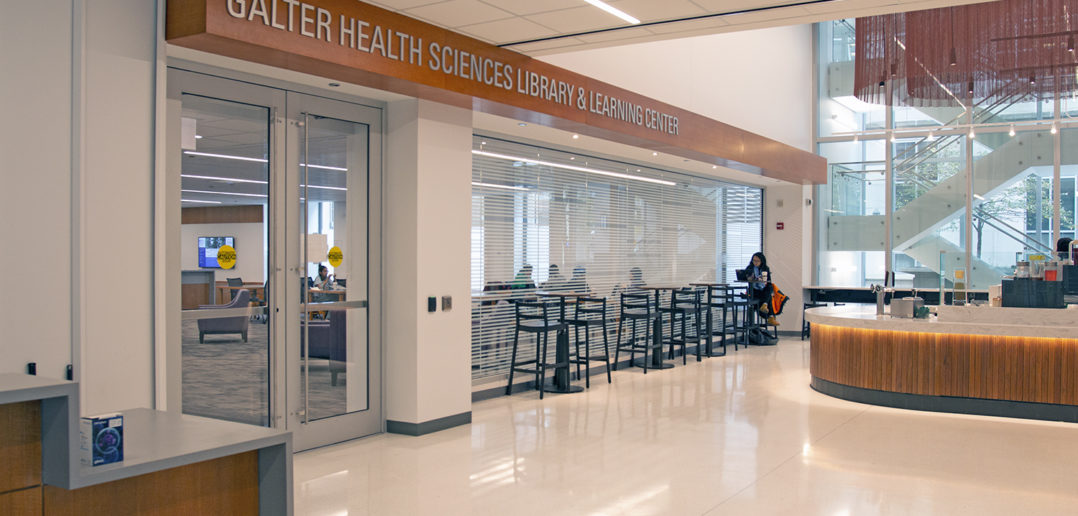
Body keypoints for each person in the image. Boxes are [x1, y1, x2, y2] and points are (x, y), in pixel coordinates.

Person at [742, 252, 778, 326]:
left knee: (770, 287)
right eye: (754, 260)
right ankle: (770, 315)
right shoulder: (750, 268)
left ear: (762, 261)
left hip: (763, 290)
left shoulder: (765, 268)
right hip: (754, 290)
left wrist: (763, 279)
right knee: (769, 298)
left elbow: (768, 281)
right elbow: (744, 277)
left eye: (757, 261)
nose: (755, 263)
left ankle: (765, 305)